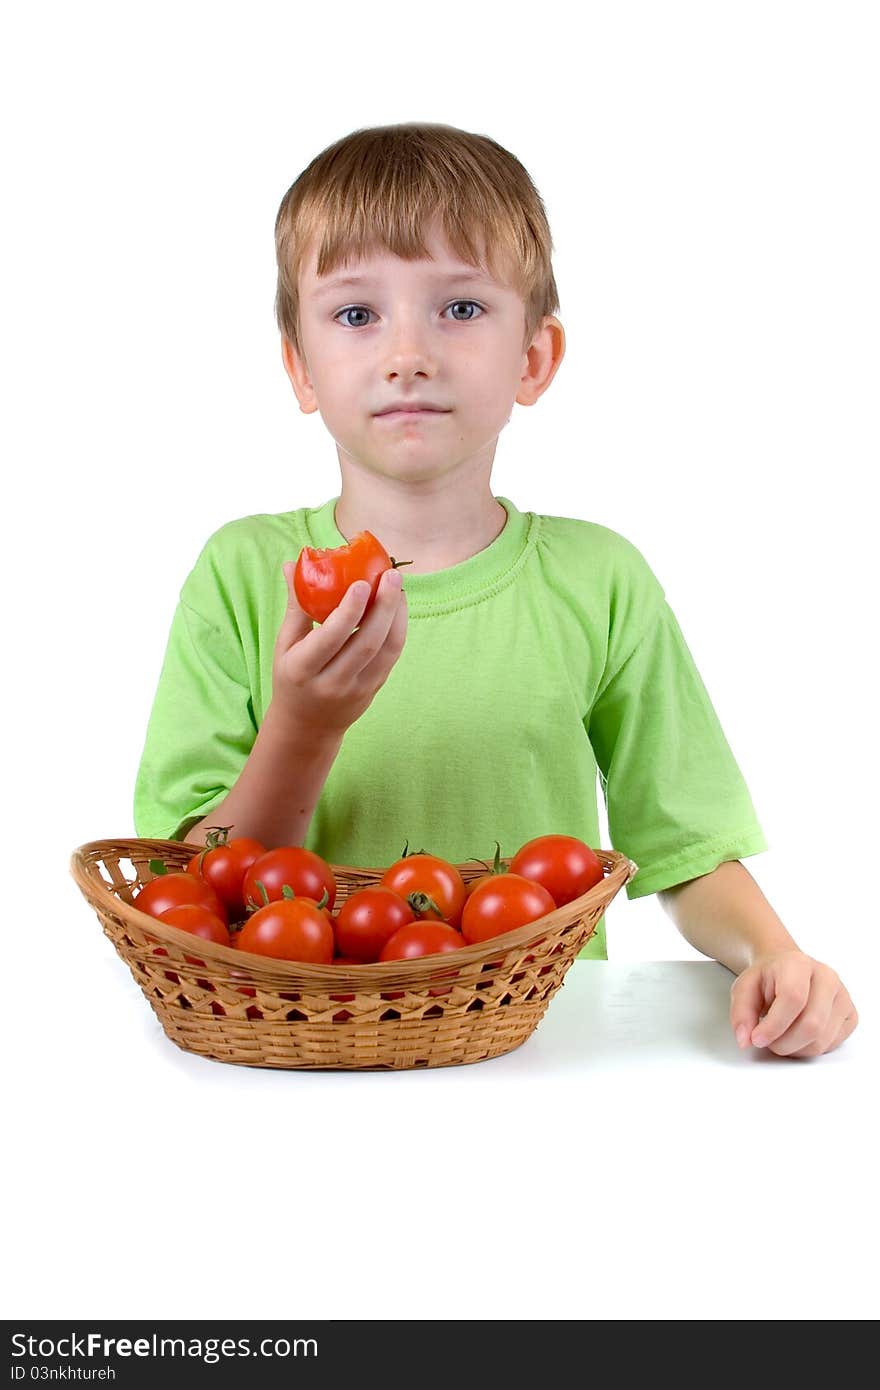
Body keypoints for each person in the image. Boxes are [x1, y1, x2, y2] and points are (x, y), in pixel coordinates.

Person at [133, 121, 857, 1059]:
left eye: (461, 309)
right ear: (299, 367)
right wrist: (304, 725)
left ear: (535, 358)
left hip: (546, 1050)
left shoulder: (600, 580)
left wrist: (776, 955)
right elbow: (189, 889)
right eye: (356, 315)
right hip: (295, 1053)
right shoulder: (240, 575)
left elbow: (687, 848)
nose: (408, 353)